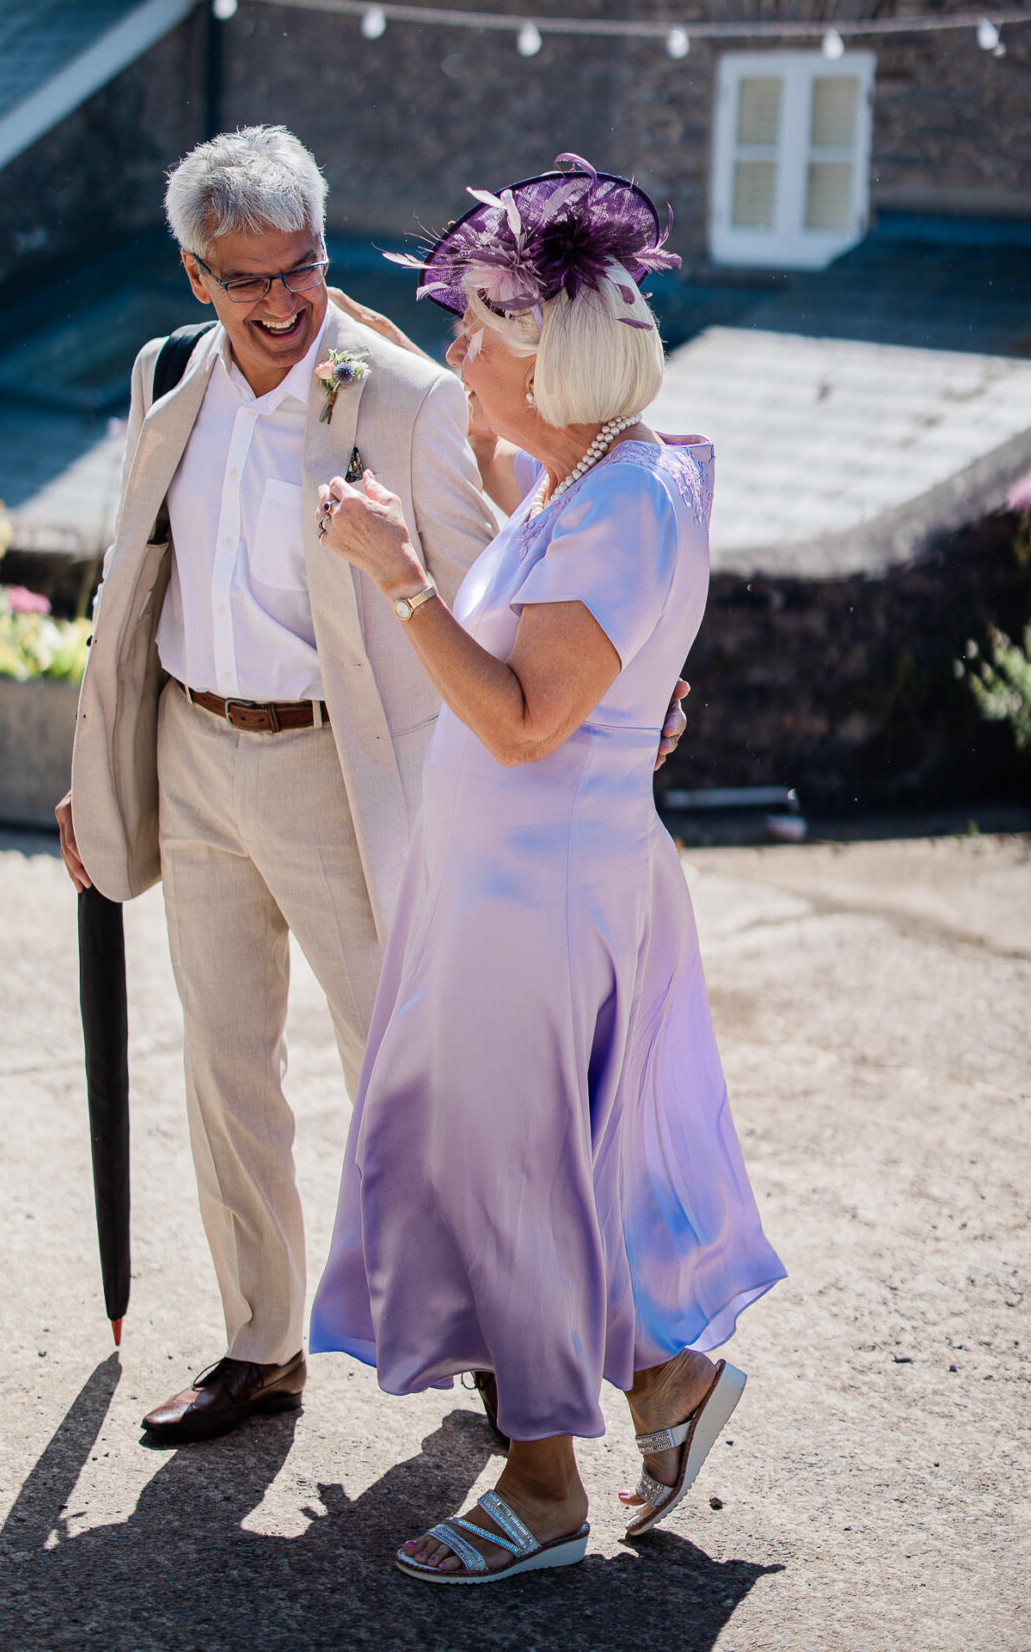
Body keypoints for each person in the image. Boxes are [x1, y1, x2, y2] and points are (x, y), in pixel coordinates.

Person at [56, 127, 690, 1445]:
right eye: (248, 281)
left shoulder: (400, 397)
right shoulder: (163, 376)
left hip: (346, 776)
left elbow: (501, 581)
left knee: (407, 1080)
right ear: (194, 277)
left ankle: (492, 1352)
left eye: (304, 269)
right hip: (190, 755)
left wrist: (619, 701)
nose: (282, 303)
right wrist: (99, 779)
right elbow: (133, 585)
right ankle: (258, 1345)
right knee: (223, 1069)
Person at [310, 155, 786, 1584]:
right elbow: (517, 491)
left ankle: (537, 1494)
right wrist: (381, 354)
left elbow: (522, 721)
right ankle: (667, 1387)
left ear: (541, 357)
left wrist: (396, 573)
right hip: (508, 890)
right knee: (548, 1172)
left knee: (512, 1183)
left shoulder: (625, 502)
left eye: (473, 328)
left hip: (545, 899)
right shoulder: (575, 482)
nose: (455, 351)